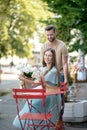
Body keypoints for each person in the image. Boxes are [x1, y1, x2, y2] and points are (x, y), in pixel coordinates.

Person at [13, 48, 61, 130]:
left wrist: (24, 79)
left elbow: (39, 83)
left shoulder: (53, 70)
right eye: (46, 55)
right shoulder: (44, 68)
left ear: (53, 58)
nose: (47, 57)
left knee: (33, 103)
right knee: (31, 102)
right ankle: (34, 126)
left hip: (51, 96)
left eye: (50, 55)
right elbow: (36, 83)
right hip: (44, 93)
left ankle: (35, 125)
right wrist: (25, 78)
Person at [40, 25, 68, 129]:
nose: (49, 36)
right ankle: (49, 121)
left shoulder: (62, 46)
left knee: (60, 100)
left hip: (59, 74)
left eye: (51, 34)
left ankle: (59, 122)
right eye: (47, 35)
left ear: (55, 33)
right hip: (48, 74)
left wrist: (65, 78)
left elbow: (65, 64)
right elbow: (43, 64)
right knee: (47, 99)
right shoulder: (44, 46)